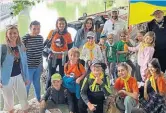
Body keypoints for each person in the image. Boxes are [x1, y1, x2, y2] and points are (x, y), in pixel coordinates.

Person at [0, 25, 29, 113]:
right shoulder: (3, 47)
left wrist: (26, 77)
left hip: (19, 75)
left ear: (18, 34)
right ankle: (10, 111)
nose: (13, 35)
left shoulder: (21, 46)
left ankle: (25, 110)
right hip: (6, 78)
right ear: (7, 35)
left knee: (23, 96)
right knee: (8, 99)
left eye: (15, 33)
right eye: (10, 33)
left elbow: (24, 63)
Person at [45, 17, 73, 90]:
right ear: (57, 24)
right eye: (59, 24)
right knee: (51, 74)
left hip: (63, 57)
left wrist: (70, 59)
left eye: (63, 24)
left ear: (65, 25)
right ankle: (48, 91)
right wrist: (46, 52)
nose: (61, 25)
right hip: (53, 56)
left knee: (62, 75)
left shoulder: (68, 34)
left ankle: (62, 91)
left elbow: (70, 47)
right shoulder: (52, 32)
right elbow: (45, 43)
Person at [22, 20, 44, 102]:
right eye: (34, 29)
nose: (36, 31)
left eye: (38, 29)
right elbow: (20, 51)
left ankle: (38, 99)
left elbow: (40, 52)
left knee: (37, 84)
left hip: (37, 66)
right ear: (30, 28)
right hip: (28, 67)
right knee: (27, 85)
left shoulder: (40, 38)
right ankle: (24, 102)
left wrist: (41, 65)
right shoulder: (25, 38)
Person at [63, 47, 86, 113]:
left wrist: (79, 78)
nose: (73, 57)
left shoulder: (79, 65)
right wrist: (71, 77)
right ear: (68, 55)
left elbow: (84, 74)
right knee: (65, 79)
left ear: (78, 57)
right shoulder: (66, 65)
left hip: (76, 82)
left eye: (75, 56)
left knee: (77, 99)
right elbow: (66, 74)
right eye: (71, 55)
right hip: (70, 82)